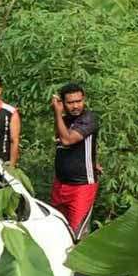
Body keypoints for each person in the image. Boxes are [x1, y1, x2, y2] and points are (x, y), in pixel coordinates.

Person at [50, 83, 100, 242]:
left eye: (78, 101)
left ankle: (78, 267)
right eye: (70, 102)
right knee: (57, 229)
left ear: (83, 99)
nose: (75, 106)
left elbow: (67, 140)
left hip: (81, 186)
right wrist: (59, 116)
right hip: (61, 184)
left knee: (77, 236)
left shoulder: (89, 119)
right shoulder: (64, 120)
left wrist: (57, 113)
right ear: (64, 103)